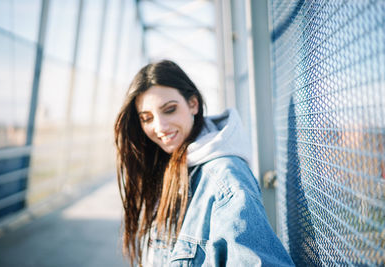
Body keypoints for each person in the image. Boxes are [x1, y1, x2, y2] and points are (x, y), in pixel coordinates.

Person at [114, 60, 294, 266]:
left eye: (169, 109)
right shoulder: (166, 164)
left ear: (193, 104)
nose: (160, 127)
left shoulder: (225, 176)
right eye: (147, 118)